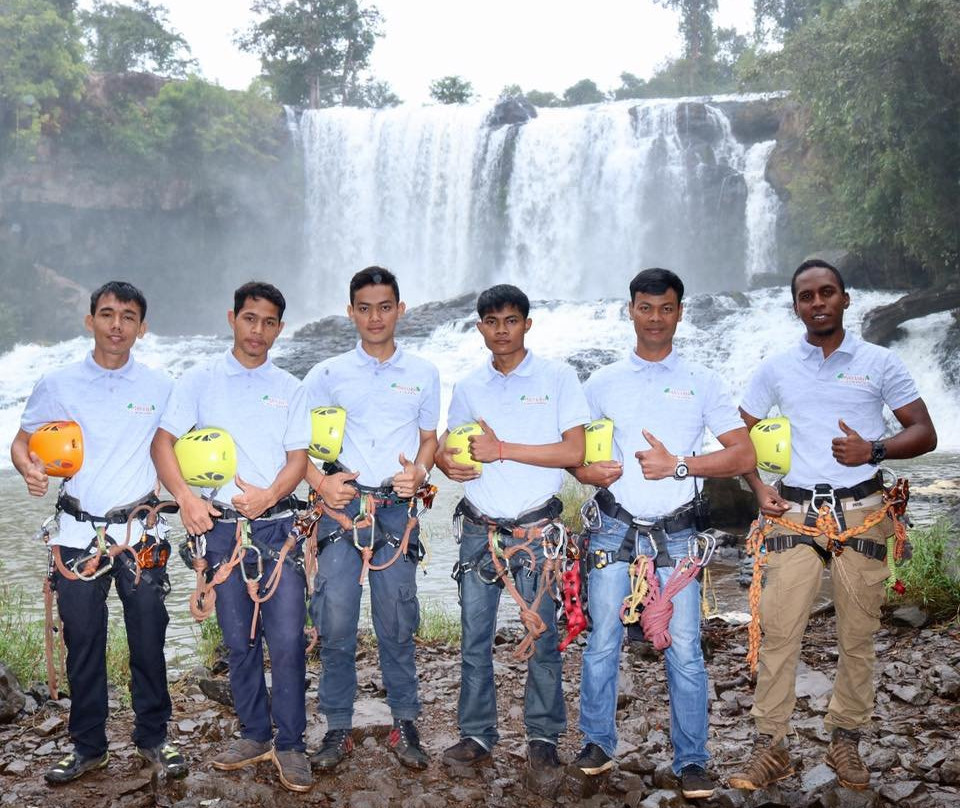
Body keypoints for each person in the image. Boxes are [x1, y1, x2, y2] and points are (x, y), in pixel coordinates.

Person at [731, 259, 937, 792]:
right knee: (778, 633)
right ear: (796, 305)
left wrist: (874, 448)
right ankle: (770, 746)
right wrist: (759, 488)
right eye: (806, 296)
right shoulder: (775, 368)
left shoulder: (880, 362)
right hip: (794, 515)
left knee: (858, 636)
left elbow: (925, 433)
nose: (817, 302)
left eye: (827, 292)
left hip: (862, 513)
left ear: (846, 299)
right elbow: (738, 436)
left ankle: (845, 740)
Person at [567, 268, 755, 800]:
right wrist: (587, 473)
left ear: (679, 312)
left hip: (678, 534)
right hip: (613, 529)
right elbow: (578, 453)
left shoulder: (705, 381)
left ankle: (693, 759)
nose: (655, 318)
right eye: (645, 308)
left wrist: (679, 465)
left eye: (666, 308)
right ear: (630, 310)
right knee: (602, 642)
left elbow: (743, 454)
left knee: (687, 649)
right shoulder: (602, 382)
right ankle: (597, 744)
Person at [11, 281, 185, 784]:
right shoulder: (58, 382)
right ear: (90, 321)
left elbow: (174, 450)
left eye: (128, 316)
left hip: (140, 532)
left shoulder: (160, 386)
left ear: (142, 328)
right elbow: (22, 443)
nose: (116, 325)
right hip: (76, 532)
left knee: (149, 638)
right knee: (83, 641)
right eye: (107, 314)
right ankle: (88, 746)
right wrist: (29, 470)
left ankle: (154, 737)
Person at [151, 281, 312, 792]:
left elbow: (297, 461)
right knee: (240, 643)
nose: (257, 331)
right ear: (232, 318)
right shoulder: (198, 380)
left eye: (268, 322)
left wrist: (270, 496)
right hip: (218, 532)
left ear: (279, 328)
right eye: (249, 319)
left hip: (278, 528)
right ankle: (254, 733)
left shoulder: (292, 387)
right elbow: (163, 444)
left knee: (286, 640)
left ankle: (290, 743)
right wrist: (187, 499)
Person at [434, 284, 589, 788]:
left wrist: (502, 449)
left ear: (527, 324)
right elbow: (447, 446)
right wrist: (444, 463)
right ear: (480, 327)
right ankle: (477, 735)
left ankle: (542, 739)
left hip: (538, 530)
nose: (501, 330)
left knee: (543, 638)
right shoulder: (469, 386)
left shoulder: (558, 377)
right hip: (480, 529)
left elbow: (573, 453)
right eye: (491, 321)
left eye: (511, 320)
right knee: (473, 639)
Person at [302, 266, 439, 773]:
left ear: (400, 310)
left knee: (398, 619)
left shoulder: (424, 372)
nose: (375, 317)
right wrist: (320, 483)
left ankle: (405, 723)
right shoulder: (327, 374)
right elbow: (297, 446)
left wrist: (421, 469)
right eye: (364, 307)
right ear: (351, 312)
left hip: (398, 509)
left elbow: (430, 438)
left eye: (385, 307)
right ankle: (338, 727)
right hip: (342, 509)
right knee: (335, 618)